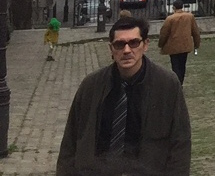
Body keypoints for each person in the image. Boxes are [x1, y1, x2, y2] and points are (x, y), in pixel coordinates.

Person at [56, 14, 191, 175]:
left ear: (145, 44)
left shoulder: (167, 85)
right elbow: (70, 142)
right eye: (120, 45)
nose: (127, 50)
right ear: (111, 49)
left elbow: (180, 142)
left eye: (134, 43)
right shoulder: (91, 86)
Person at [158, 0, 202, 84]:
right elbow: (195, 32)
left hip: (173, 46)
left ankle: (177, 83)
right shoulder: (190, 17)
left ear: (173, 7)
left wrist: (161, 44)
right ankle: (180, 81)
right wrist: (196, 44)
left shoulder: (170, 19)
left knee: (175, 65)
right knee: (182, 65)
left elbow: (164, 33)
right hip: (185, 44)